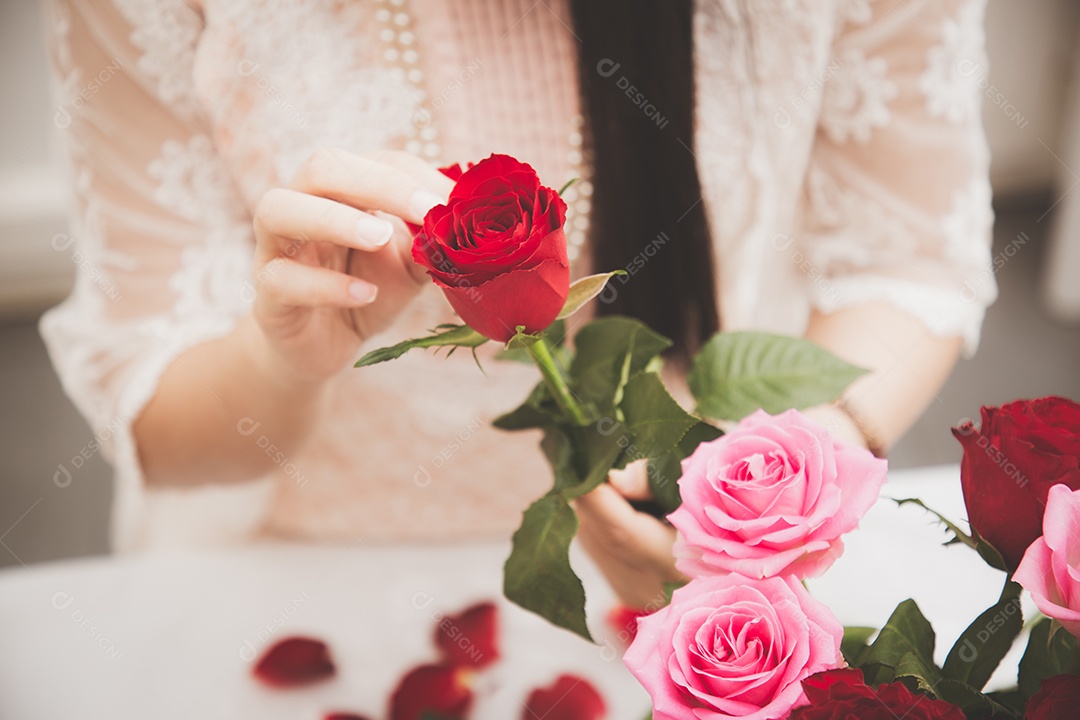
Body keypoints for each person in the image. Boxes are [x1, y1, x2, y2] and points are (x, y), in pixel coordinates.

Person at [41, 0, 994, 713]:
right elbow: (155, 414)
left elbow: (907, 260)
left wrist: (760, 496)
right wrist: (283, 355)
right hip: (294, 553)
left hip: (700, 560)